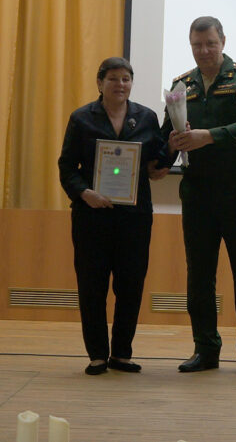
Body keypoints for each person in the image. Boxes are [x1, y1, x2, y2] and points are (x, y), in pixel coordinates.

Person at [163, 16, 236, 376]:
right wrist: (170, 146)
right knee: (199, 274)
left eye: (210, 43)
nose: (204, 51)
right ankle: (205, 348)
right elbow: (167, 138)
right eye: (196, 44)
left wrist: (207, 136)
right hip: (197, 192)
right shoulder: (181, 85)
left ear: (223, 41)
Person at [58, 57, 169, 375]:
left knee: (131, 285)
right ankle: (96, 354)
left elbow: (155, 166)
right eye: (113, 79)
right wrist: (85, 193)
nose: (120, 85)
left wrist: (169, 154)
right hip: (92, 216)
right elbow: (66, 167)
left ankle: (121, 353)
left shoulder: (146, 118)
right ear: (100, 83)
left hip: (134, 218)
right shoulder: (82, 118)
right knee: (92, 286)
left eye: (126, 79)